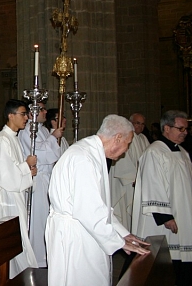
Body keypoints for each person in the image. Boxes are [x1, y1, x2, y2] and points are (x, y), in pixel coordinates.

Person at [46, 114, 149, 286]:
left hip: (84, 230)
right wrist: (119, 241)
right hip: (76, 236)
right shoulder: (83, 158)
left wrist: (123, 234)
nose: (127, 149)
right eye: (128, 143)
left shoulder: (91, 153)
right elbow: (88, 211)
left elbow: (99, 205)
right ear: (117, 138)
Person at [0, 99, 38, 285]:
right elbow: (3, 175)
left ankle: (15, 274)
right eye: (23, 114)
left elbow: (16, 169)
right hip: (7, 196)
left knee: (15, 237)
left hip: (16, 194)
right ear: (10, 115)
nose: (27, 118)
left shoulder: (13, 138)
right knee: (7, 238)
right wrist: (26, 166)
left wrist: (28, 172)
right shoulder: (0, 141)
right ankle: (1, 276)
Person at [132, 110, 192, 286]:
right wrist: (165, 216)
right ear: (167, 128)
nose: (185, 132)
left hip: (183, 212)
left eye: (186, 129)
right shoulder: (155, 152)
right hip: (164, 219)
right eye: (180, 128)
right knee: (165, 262)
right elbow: (153, 184)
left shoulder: (182, 152)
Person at [18, 102, 63, 268]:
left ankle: (46, 254)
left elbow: (53, 153)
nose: (45, 112)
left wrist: (52, 136)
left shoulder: (42, 129)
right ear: (32, 112)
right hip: (37, 180)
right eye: (42, 109)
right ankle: (36, 257)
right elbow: (38, 153)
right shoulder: (28, 130)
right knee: (38, 220)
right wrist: (53, 137)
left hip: (46, 178)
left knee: (46, 219)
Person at [109, 113, 149, 231]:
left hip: (140, 183)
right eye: (137, 123)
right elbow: (122, 160)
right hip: (127, 183)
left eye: (142, 124)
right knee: (126, 213)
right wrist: (134, 179)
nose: (140, 127)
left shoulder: (143, 139)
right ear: (131, 123)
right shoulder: (126, 137)